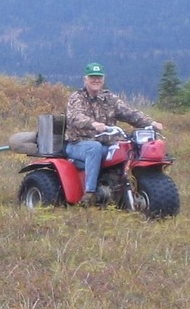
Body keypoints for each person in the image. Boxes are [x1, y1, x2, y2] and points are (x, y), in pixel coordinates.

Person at [65, 62, 163, 206]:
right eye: (92, 77)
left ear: (103, 79)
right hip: (78, 144)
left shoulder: (109, 98)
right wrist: (93, 124)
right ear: (85, 79)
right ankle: (90, 194)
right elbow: (75, 117)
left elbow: (129, 113)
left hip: (107, 142)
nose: (96, 80)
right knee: (95, 148)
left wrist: (150, 123)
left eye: (99, 77)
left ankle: (131, 185)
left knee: (129, 147)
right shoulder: (77, 98)